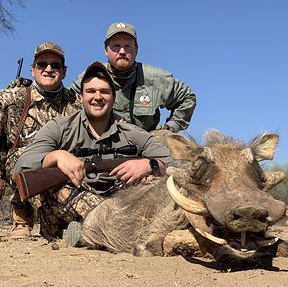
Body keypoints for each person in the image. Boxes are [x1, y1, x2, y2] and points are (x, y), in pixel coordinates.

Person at [14, 61, 173, 242]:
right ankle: (107, 232)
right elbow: (21, 166)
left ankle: (87, 234)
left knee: (155, 181)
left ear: (114, 97)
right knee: (57, 188)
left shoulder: (132, 132)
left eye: (104, 92)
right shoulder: (59, 127)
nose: (97, 97)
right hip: (81, 210)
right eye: (90, 91)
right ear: (80, 98)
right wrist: (57, 156)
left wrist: (150, 164)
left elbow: (175, 161)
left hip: (120, 202)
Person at [0, 42, 82, 238]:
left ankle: (60, 223)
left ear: (64, 71)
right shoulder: (10, 98)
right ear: (33, 69)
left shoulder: (77, 104)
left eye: (56, 65)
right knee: (26, 161)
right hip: (22, 165)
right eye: (42, 64)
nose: (49, 69)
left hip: (62, 168)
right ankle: (22, 219)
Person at [70, 21, 196, 133]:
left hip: (146, 148)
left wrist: (170, 128)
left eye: (128, 46)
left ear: (136, 49)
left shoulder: (155, 77)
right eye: (116, 46)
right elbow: (69, 102)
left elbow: (187, 98)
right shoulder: (90, 76)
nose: (122, 51)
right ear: (106, 50)